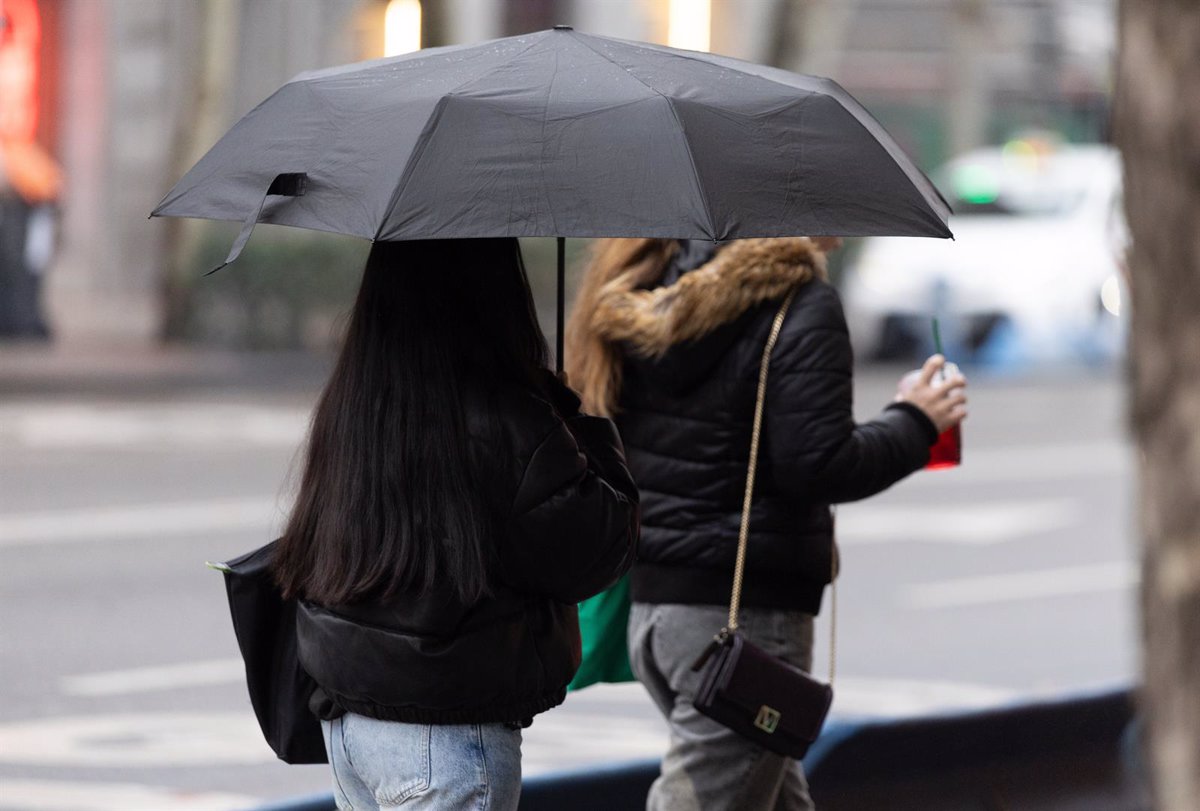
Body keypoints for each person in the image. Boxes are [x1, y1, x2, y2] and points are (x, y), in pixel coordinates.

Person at [565, 237, 967, 811]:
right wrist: (916, 421)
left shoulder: (651, 291)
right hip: (742, 622)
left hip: (658, 615)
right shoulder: (797, 301)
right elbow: (819, 464)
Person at [273, 238, 640, 811]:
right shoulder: (508, 417)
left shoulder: (355, 402)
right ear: (493, 295)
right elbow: (597, 550)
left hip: (351, 719)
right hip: (445, 737)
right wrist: (580, 425)